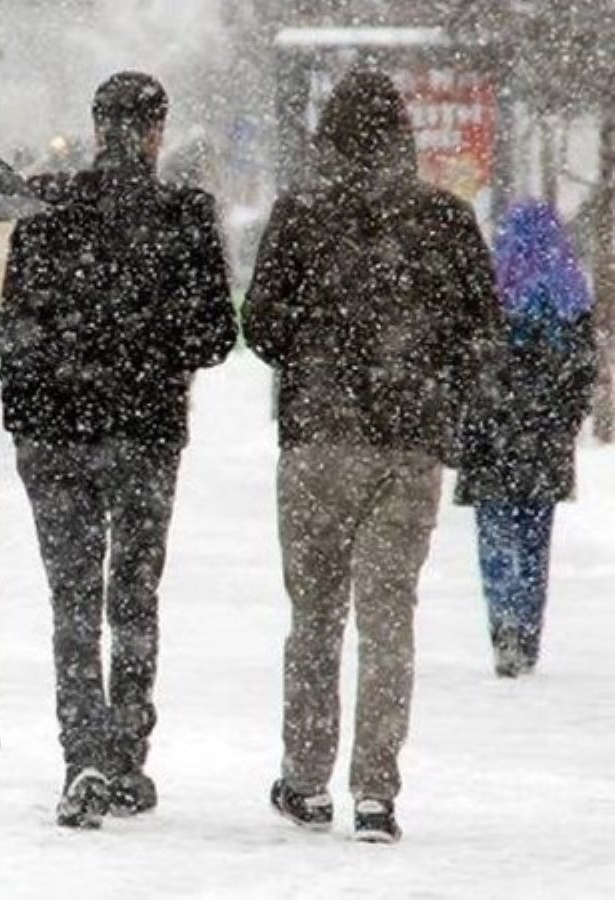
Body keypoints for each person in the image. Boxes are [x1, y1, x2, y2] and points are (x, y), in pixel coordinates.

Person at [242, 70, 505, 844]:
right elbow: (484, 330)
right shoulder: (444, 219)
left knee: (316, 615)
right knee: (390, 621)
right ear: (405, 136)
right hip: (410, 444)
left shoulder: (301, 215)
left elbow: (259, 325)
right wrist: (427, 371)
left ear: (329, 137)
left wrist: (317, 351)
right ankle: (376, 792)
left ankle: (306, 778)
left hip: (320, 440)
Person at [0, 71, 237, 827]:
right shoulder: (184, 214)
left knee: (71, 599)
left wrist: (31, 410)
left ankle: (84, 756)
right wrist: (150, 345)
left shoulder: (45, 206)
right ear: (157, 129)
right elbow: (214, 337)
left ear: (97, 125)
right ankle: (129, 754)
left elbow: (15, 325)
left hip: (56, 433)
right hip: (144, 432)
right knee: (133, 594)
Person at [455, 199, 599, 677]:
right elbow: (582, 370)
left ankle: (504, 629)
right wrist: (565, 420)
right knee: (536, 541)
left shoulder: (492, 286)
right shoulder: (571, 294)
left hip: (491, 435)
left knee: (495, 537)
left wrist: (470, 414)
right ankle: (528, 632)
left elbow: (466, 362)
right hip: (543, 439)